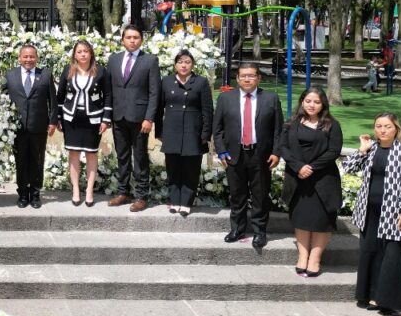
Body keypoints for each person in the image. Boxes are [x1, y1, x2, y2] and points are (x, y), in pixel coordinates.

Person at [341, 112, 401, 316]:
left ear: (396, 129)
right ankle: (370, 295)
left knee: (392, 257)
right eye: (379, 126)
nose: (383, 130)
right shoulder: (371, 149)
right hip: (369, 213)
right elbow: (347, 168)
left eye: (387, 126)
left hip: (395, 213)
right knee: (370, 253)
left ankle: (390, 303)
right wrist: (362, 149)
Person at [213, 62, 283, 249]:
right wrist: (221, 151)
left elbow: (278, 130)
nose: (247, 79)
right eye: (243, 76)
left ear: (258, 78)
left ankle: (260, 232)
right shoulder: (225, 98)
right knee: (237, 194)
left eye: (251, 75)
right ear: (237, 78)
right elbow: (217, 129)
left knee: (260, 195)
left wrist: (276, 152)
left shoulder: (271, 98)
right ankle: (237, 229)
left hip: (261, 155)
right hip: (233, 155)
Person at [279, 87, 343, 277]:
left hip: (323, 179)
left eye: (316, 102)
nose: (312, 105)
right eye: (308, 101)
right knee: (301, 219)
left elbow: (334, 150)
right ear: (302, 102)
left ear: (323, 104)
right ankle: (303, 256)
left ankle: (315, 259)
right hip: (298, 179)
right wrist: (298, 167)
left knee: (321, 220)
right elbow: (283, 146)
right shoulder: (291, 123)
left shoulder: (332, 125)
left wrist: (311, 168)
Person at [104, 25, 160, 213]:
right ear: (122, 40)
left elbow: (154, 92)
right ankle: (123, 192)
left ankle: (142, 196)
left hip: (140, 118)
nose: (132, 40)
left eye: (136, 37)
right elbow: (109, 91)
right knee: (122, 156)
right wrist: (107, 116)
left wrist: (149, 118)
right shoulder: (114, 60)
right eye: (128, 37)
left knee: (140, 157)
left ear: (141, 40)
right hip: (118, 116)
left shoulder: (150, 60)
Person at [154, 50, 213, 217]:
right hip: (171, 131)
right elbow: (159, 109)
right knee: (173, 168)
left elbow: (208, 110)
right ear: (175, 65)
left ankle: (186, 202)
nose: (184, 65)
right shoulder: (166, 81)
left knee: (191, 169)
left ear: (192, 65)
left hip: (193, 131)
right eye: (180, 62)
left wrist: (205, 133)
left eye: (187, 62)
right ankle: (174, 200)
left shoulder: (201, 82)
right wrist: (159, 131)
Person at [56, 40, 109, 207]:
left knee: (92, 154)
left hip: (93, 118)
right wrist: (58, 117)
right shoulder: (68, 70)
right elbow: (60, 95)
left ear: (91, 53)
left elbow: (108, 95)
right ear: (75, 55)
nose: (83, 54)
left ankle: (89, 190)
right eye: (79, 52)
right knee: (74, 154)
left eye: (86, 51)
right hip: (71, 118)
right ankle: (76, 190)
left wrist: (106, 119)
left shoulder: (100, 71)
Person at [3, 44, 57, 209]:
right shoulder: (10, 75)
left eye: (32, 56)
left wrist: (53, 122)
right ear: (19, 58)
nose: (28, 60)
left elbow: (52, 101)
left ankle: (35, 194)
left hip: (39, 126)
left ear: (37, 58)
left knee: (37, 161)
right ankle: (22, 194)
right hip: (17, 128)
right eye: (25, 56)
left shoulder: (45, 75)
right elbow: (1, 98)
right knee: (20, 161)